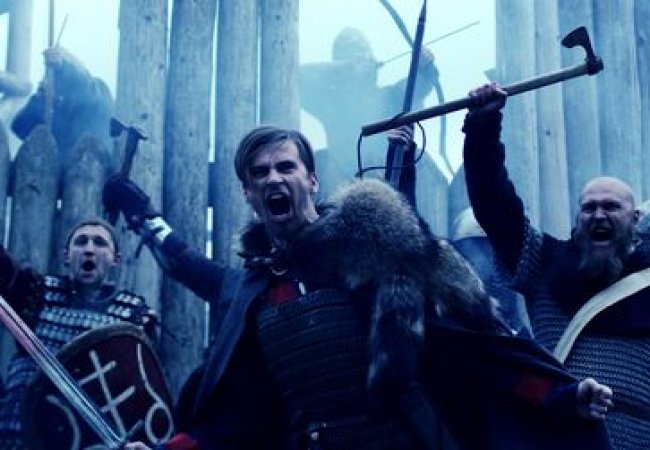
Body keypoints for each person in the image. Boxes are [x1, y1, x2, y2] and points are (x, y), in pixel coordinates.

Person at [105, 125, 613, 450]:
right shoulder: (258, 292)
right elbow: (242, 413)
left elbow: (471, 345)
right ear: (248, 192)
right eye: (260, 173)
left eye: (286, 167)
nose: (274, 178)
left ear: (311, 181)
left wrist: (561, 393)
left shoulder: (371, 254)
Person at [462, 82, 650, 450]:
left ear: (635, 219)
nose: (598, 214)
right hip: (556, 432)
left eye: (611, 207)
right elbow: (494, 205)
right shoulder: (545, 264)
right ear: (578, 218)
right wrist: (483, 127)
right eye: (589, 207)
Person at [0, 218, 158, 449]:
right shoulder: (35, 293)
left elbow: (138, 401)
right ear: (67, 256)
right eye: (81, 242)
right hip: (18, 437)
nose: (89, 250)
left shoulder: (133, 317)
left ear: (115, 259)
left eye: (100, 243)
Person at [300, 27, 438, 198]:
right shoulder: (331, 104)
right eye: (355, 55)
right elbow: (297, 77)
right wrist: (347, 68)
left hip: (390, 189)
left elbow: (420, 85)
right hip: (344, 190)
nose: (366, 58)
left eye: (367, 53)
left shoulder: (390, 97)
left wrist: (425, 67)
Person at [11, 47, 114, 168]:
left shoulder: (97, 91)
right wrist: (40, 97)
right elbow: (19, 127)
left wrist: (63, 66)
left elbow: (86, 87)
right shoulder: (54, 111)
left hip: (95, 170)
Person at [451, 207, 532, 337]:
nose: (488, 255)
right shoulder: (452, 316)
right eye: (478, 246)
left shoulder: (507, 290)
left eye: (489, 247)